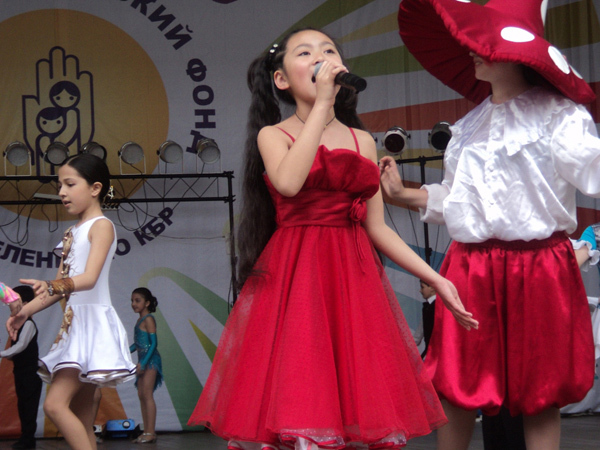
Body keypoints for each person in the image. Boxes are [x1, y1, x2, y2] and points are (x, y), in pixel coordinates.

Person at [188, 27, 478, 450]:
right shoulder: (274, 135)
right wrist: (323, 105)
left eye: (328, 50)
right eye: (305, 53)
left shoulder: (361, 140)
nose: (321, 58)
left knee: (355, 399)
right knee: (304, 393)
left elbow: (377, 227)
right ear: (281, 79)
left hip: (352, 279)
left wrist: (436, 279)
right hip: (298, 278)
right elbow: (289, 183)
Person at [380, 1, 600, 449]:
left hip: (540, 267)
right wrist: (403, 195)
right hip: (471, 265)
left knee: (541, 391)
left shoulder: (561, 116)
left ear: (518, 53)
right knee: (455, 384)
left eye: (482, 43)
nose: (471, 50)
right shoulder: (469, 125)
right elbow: (459, 201)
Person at [6, 153, 136, 450]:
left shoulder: (101, 226)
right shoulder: (71, 232)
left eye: (69, 184)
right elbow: (60, 290)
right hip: (76, 327)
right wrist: (25, 312)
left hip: (92, 326)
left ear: (95, 188)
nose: (62, 192)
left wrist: (52, 285)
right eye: (59, 186)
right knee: (80, 416)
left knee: (54, 405)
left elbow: (88, 278)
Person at [0, 285, 42, 450]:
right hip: (21, 372)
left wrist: (2, 353)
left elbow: (20, 346)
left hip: (30, 374)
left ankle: (28, 439)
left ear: (26, 304)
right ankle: (25, 438)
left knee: (29, 407)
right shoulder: (19, 325)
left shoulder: (28, 324)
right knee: (23, 406)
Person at [129, 287, 163, 444]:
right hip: (143, 361)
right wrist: (124, 352)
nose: (133, 304)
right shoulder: (139, 321)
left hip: (151, 361)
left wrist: (143, 363)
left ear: (147, 303)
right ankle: (146, 431)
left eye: (137, 300)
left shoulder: (149, 319)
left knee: (147, 395)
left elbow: (153, 344)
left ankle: (151, 432)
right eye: (132, 301)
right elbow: (137, 344)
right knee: (141, 394)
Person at [418, 279, 436, 358]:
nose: (420, 290)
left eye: (422, 287)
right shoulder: (427, 307)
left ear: (432, 288)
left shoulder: (435, 307)